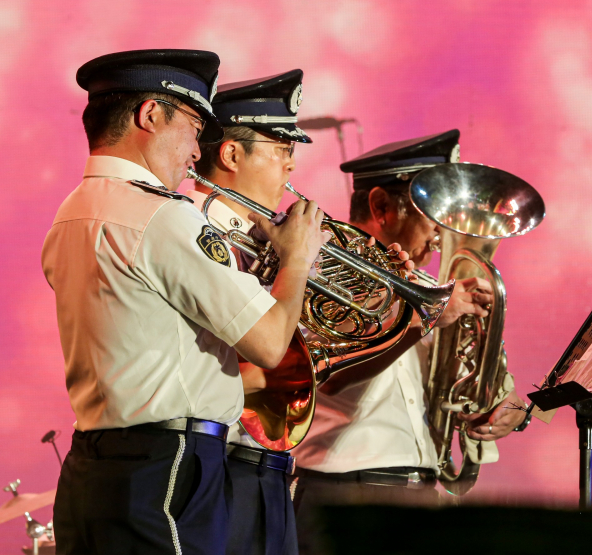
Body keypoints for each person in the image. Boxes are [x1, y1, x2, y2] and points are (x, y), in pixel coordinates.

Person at [41, 50, 328, 555]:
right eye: (195, 126)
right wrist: (297, 260)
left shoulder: (69, 213)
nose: (197, 152)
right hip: (167, 467)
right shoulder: (164, 217)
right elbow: (267, 344)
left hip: (95, 461)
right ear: (150, 115)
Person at [291, 130, 532, 553]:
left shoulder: (431, 287)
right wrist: (430, 316)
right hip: (346, 491)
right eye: (432, 210)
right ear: (382, 207)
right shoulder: (320, 270)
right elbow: (329, 375)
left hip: (421, 489)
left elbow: (478, 384)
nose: (444, 232)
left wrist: (509, 408)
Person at [190, 70, 311, 555]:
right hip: (217, 469)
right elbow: (259, 354)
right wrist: (295, 262)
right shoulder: (197, 232)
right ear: (232, 153)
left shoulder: (263, 239)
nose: (290, 168)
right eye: (281, 149)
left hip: (267, 471)